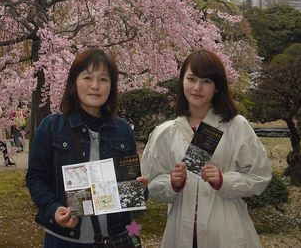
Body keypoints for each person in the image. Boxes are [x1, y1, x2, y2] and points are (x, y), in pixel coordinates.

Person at [141, 50, 271, 248]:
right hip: (180, 233)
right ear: (182, 81)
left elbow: (259, 176)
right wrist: (173, 184)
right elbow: (153, 183)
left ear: (217, 87)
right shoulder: (165, 132)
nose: (197, 87)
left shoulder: (235, 126)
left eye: (207, 81)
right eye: (191, 79)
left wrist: (223, 181)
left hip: (225, 232)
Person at [26, 48, 141, 247]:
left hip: (115, 239)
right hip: (65, 240)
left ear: (111, 86)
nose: (95, 86)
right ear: (73, 83)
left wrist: (139, 188)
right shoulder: (52, 127)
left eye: (104, 79)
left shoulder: (123, 131)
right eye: (87, 77)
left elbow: (128, 189)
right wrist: (53, 208)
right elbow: (36, 178)